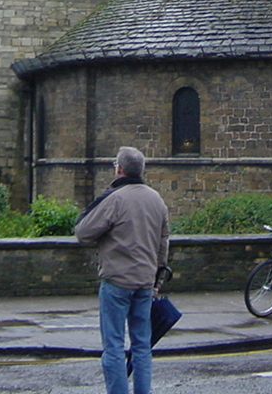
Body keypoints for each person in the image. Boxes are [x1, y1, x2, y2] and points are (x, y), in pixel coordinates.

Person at [75, 146, 171, 394]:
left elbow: (83, 233)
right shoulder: (156, 199)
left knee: (114, 346)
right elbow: (163, 243)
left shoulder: (115, 198)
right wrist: (157, 277)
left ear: (119, 169)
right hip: (145, 283)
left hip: (117, 282)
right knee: (142, 345)